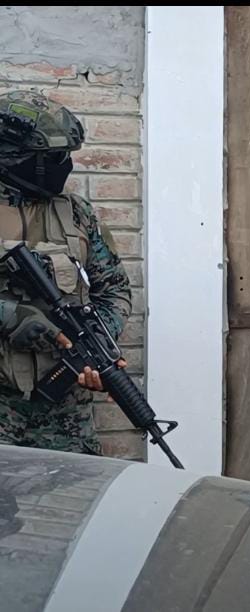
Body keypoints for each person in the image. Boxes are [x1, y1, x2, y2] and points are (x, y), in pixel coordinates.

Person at [0, 90, 131, 455]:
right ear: (13, 156)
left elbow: (114, 290)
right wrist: (11, 316)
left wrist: (95, 345)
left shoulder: (76, 214)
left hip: (65, 418)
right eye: (52, 158)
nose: (64, 166)